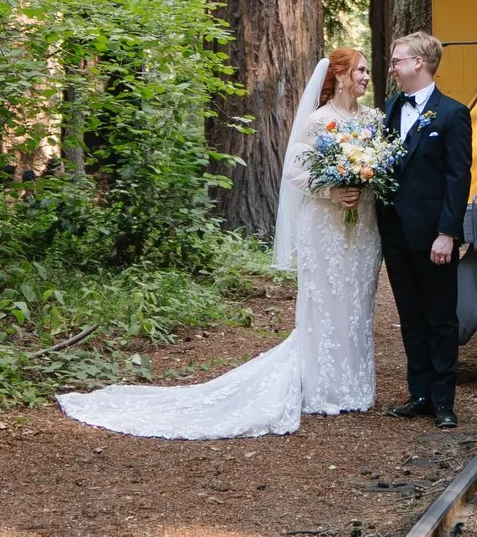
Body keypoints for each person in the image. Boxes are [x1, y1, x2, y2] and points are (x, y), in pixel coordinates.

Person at [54, 50, 383, 438]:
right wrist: (333, 189)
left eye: (366, 70)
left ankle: (354, 386)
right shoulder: (318, 120)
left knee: (356, 299)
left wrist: (364, 182)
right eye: (360, 70)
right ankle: (324, 387)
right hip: (325, 226)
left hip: (361, 226)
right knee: (326, 301)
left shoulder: (370, 120)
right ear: (341, 76)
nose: (366, 75)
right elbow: (295, 172)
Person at [376, 32, 471, 429]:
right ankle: (419, 394)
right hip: (395, 231)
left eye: (397, 60)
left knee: (440, 317)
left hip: (433, 234)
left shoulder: (452, 113)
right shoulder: (391, 108)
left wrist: (447, 232)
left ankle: (444, 401)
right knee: (410, 314)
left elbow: (457, 177)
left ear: (419, 62)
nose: (392, 68)